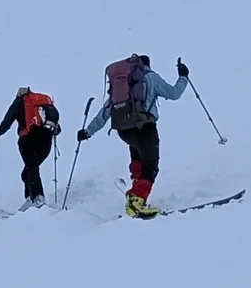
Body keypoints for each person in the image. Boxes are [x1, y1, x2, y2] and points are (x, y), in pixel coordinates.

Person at [77, 56, 191, 217]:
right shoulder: (150, 77)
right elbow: (174, 93)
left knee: (138, 162)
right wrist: (183, 77)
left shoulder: (121, 85)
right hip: (144, 127)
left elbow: (105, 112)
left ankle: (135, 198)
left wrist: (88, 131)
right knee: (151, 165)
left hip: (125, 131)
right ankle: (136, 201)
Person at [0, 87, 61, 208]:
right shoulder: (42, 102)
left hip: (28, 140)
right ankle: (31, 199)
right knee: (27, 172)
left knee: (31, 169)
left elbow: (7, 122)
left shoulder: (19, 102)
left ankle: (38, 199)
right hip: (46, 142)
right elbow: (57, 128)